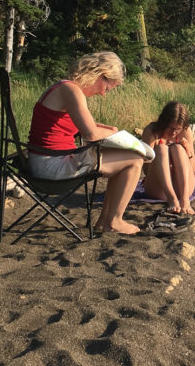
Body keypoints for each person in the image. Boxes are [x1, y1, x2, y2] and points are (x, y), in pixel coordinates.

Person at [28, 52, 143, 235]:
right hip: (52, 166)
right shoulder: (71, 91)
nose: (104, 94)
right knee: (135, 159)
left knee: (126, 160)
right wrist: (117, 134)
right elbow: (90, 134)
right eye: (107, 88)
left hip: (43, 161)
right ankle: (114, 221)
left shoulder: (63, 88)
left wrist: (105, 129)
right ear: (100, 74)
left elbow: (72, 126)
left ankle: (105, 222)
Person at [141, 101, 195, 215]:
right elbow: (146, 170)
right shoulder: (152, 132)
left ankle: (184, 200)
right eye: (171, 128)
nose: (174, 133)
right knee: (161, 149)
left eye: (178, 129)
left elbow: (193, 169)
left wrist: (188, 152)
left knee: (177, 148)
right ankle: (172, 198)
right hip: (160, 188)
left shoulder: (185, 131)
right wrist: (161, 161)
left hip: (184, 187)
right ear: (163, 123)